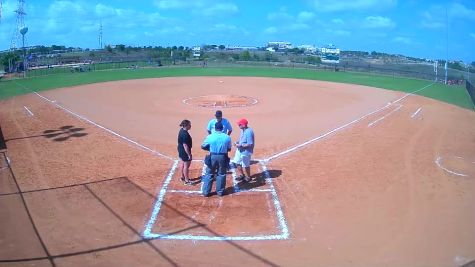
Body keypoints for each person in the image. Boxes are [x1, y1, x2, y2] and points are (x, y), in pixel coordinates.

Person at [201, 121, 232, 197]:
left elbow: (203, 146)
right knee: (221, 174)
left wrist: (210, 148)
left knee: (209, 173)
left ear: (215, 128)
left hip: (212, 156)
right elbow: (229, 148)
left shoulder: (210, 136)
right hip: (222, 156)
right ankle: (220, 192)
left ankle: (206, 192)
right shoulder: (227, 137)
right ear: (222, 128)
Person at [232, 118, 255, 182]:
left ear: (244, 125)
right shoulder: (242, 130)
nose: (238, 125)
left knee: (246, 165)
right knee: (236, 162)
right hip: (239, 150)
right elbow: (242, 140)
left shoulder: (249, 132)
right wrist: (237, 142)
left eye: (240, 124)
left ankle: (248, 177)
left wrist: (240, 145)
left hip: (246, 152)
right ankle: (242, 175)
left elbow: (250, 144)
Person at [177, 119, 193, 185]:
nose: (190, 126)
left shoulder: (181, 130)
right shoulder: (185, 134)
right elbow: (185, 145)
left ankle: (182, 177)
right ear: (186, 125)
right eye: (189, 124)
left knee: (183, 164)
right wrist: (189, 154)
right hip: (184, 151)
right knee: (186, 165)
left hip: (180, 150)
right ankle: (186, 181)